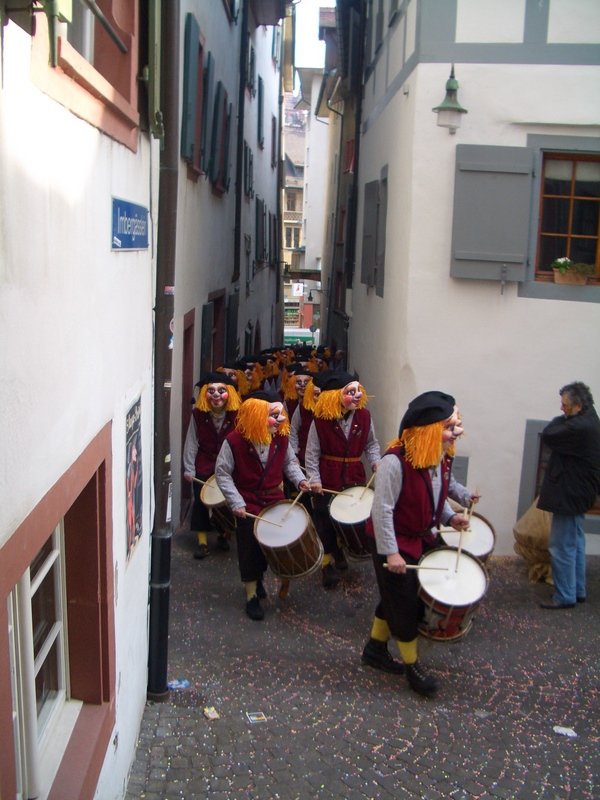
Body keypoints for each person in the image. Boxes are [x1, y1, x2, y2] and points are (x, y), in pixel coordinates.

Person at [361, 391, 470, 697]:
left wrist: (450, 517)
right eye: (449, 427)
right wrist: (392, 552)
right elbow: (381, 510)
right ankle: (412, 666)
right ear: (428, 430)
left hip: (421, 535)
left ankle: (374, 649)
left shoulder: (437, 455)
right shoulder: (393, 462)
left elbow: (435, 495)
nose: (457, 432)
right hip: (392, 539)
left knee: (396, 596)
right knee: (405, 603)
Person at [215, 390, 310, 620]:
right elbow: (222, 473)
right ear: (257, 415)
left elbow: (289, 463)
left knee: (271, 544)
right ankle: (251, 596)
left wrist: (300, 480)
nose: (281, 420)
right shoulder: (234, 441)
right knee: (249, 548)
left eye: (281, 415)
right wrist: (236, 502)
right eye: (274, 415)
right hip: (247, 502)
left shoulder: (281, 437)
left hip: (274, 498)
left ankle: (259, 578)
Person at [305, 371, 381, 588]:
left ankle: (341, 550)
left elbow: (371, 444)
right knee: (324, 520)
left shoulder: (364, 416)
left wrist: (375, 461)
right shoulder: (320, 420)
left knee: (347, 516)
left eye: (358, 391)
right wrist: (314, 479)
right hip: (327, 478)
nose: (357, 395)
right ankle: (327, 564)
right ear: (335, 395)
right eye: (351, 392)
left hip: (354, 477)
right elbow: (311, 453)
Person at [537, 381, 600, 609]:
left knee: (561, 545)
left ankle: (564, 595)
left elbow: (548, 434)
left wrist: (562, 419)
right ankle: (577, 590)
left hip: (569, 493)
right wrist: (566, 417)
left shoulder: (578, 428)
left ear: (578, 406)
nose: (561, 409)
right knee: (576, 541)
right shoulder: (590, 419)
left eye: (565, 406)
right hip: (579, 492)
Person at [182, 373, 242, 559]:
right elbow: (192, 441)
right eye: (211, 391)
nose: (216, 395)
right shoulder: (198, 415)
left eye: (221, 391)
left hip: (229, 466)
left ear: (230, 393)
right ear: (204, 394)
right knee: (200, 503)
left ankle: (224, 535)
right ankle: (202, 543)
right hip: (204, 464)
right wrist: (189, 468)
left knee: (226, 502)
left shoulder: (238, 415)